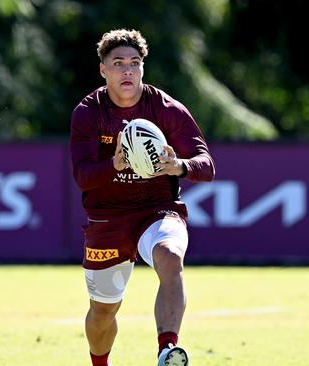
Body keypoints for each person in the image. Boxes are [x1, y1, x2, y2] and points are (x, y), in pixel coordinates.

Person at [70, 28, 215, 366]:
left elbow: (206, 165)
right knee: (103, 311)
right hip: (109, 217)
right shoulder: (88, 112)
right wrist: (114, 164)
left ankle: (167, 350)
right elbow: (82, 177)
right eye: (118, 63)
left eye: (135, 63)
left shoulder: (165, 108)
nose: (127, 71)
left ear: (143, 69)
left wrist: (178, 165)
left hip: (158, 209)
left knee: (170, 257)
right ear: (103, 69)